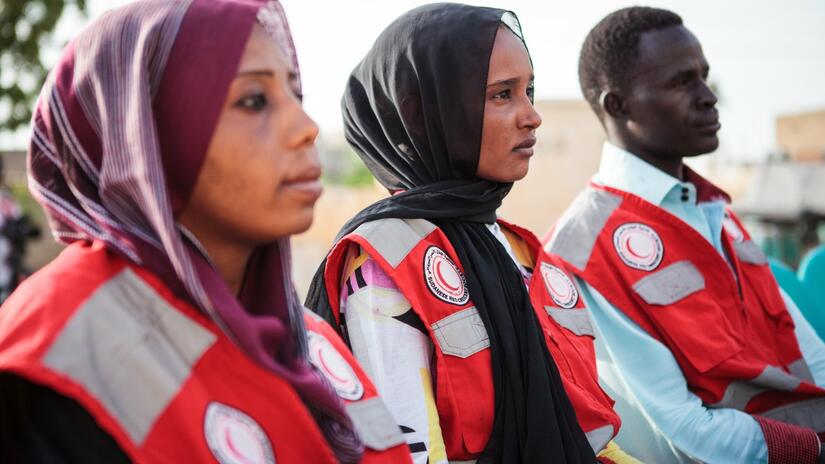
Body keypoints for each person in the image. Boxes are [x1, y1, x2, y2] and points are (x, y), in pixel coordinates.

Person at [0, 1, 411, 463]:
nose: (306, 129)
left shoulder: (299, 333)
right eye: (254, 100)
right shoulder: (62, 354)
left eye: (295, 95)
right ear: (145, 134)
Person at [306, 4, 631, 463]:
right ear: (426, 115)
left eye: (529, 90)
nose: (532, 116)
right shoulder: (386, 262)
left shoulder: (520, 250)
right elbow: (412, 453)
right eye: (502, 94)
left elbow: (593, 434)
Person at [544, 6, 825, 463]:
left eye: (704, 76)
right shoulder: (583, 245)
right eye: (681, 82)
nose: (707, 96)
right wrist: (813, 449)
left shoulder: (716, 213)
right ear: (618, 105)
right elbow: (683, 432)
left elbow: (808, 353)